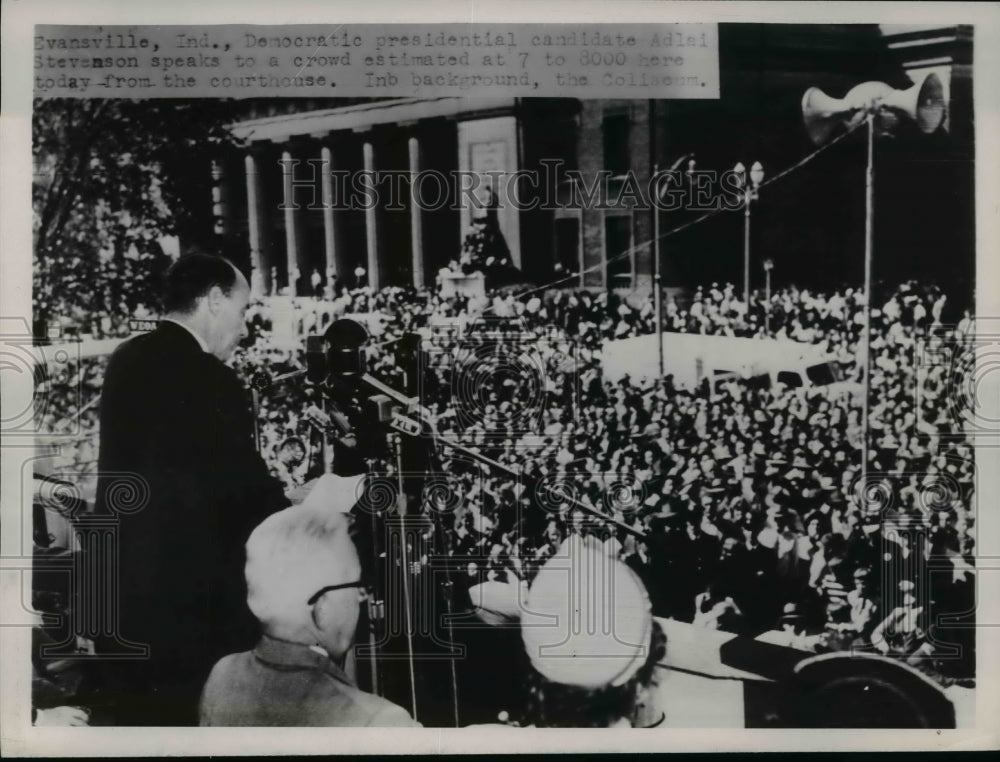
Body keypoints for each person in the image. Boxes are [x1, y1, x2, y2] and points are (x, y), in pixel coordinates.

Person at [94, 254, 290, 725]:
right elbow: (243, 501)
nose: (244, 328)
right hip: (189, 620)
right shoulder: (212, 379)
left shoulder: (126, 359)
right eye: (243, 311)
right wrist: (296, 505)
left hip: (122, 603)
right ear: (215, 300)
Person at [199, 483, 419, 727]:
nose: (361, 597)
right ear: (321, 607)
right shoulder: (377, 721)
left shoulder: (223, 675)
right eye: (356, 585)